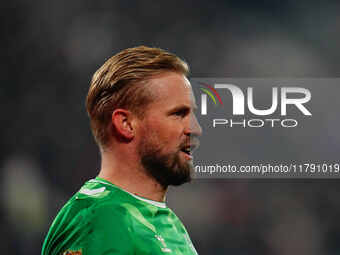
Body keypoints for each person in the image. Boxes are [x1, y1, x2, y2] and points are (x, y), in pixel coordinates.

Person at [41, 46, 202, 255]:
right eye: (179, 114)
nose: (195, 129)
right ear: (126, 124)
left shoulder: (170, 224)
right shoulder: (98, 220)